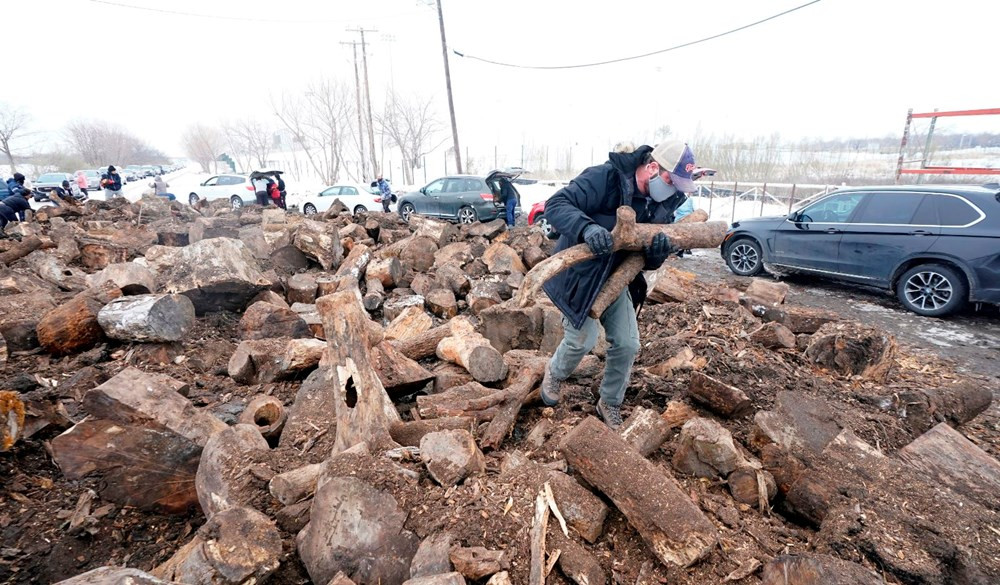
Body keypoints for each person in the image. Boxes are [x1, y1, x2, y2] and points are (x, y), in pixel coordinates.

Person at [538, 141, 700, 428]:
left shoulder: (664, 202)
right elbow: (556, 205)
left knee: (627, 343)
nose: (673, 190)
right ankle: (555, 372)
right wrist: (586, 228)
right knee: (581, 340)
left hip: (617, 278)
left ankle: (609, 401)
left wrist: (655, 255)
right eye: (670, 181)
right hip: (580, 273)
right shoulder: (607, 178)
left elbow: (645, 259)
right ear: (652, 167)